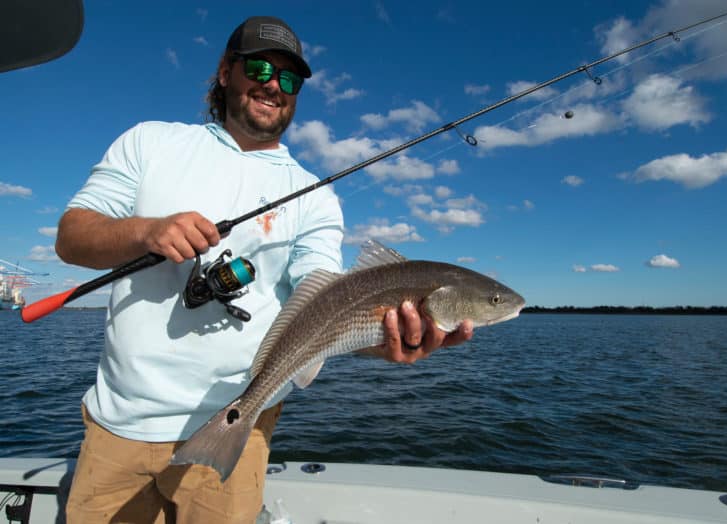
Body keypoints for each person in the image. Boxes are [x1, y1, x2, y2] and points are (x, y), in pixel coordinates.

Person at [58, 15, 473, 524]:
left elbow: (326, 305)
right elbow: (72, 235)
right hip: (116, 428)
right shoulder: (150, 142)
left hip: (238, 423)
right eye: (259, 68)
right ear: (226, 72)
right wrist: (145, 232)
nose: (274, 86)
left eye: (290, 79)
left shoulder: (316, 196)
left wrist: (393, 341)